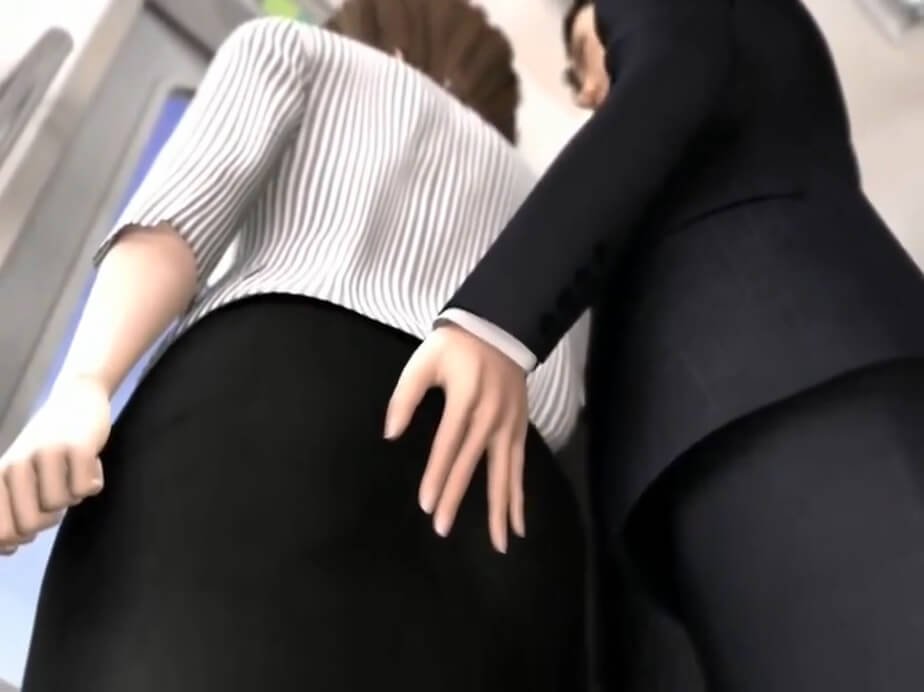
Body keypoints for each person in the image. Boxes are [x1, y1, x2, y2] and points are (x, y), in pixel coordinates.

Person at [0, 1, 588, 690]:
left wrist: (84, 385)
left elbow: (183, 215)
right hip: (516, 524)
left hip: (278, 422)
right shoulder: (562, 202)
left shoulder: (298, 51)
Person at [386, 1, 924, 690]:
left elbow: (672, 68)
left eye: (589, 52)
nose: (585, 91)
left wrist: (494, 320)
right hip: (716, 455)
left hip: (788, 389)